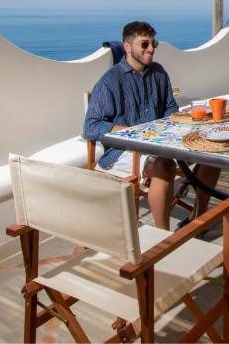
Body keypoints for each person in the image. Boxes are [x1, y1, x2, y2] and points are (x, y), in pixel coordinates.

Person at [83, 20, 220, 230]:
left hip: (161, 142)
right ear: (127, 47)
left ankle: (198, 217)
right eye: (144, 44)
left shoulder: (158, 72)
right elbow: (91, 127)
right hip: (124, 152)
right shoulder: (110, 81)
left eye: (153, 44)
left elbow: (169, 108)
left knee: (212, 154)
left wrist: (180, 121)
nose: (150, 49)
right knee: (164, 165)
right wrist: (131, 133)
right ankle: (162, 236)